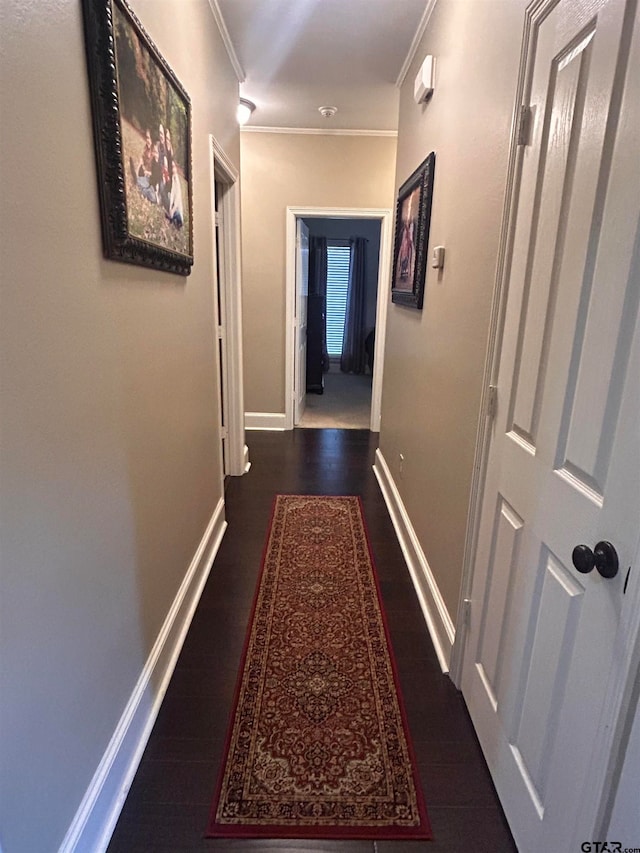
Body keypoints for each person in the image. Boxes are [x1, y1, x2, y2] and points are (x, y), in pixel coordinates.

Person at [166, 159, 184, 228]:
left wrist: (172, 210)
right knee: (168, 196)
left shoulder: (177, 181)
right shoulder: (173, 178)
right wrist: (170, 207)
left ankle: (177, 221)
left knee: (176, 213)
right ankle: (171, 216)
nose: (172, 168)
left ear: (176, 168)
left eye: (173, 167)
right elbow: (172, 194)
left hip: (177, 209)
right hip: (173, 206)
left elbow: (177, 198)